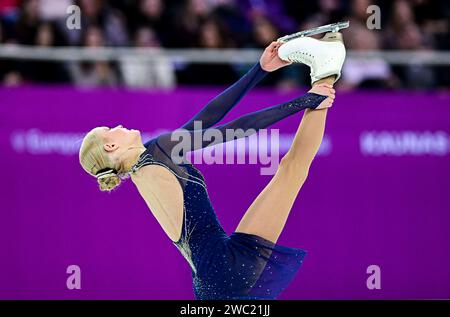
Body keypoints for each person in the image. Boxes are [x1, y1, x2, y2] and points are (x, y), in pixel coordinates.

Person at [79, 32, 345, 299]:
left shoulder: (149, 160)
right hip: (223, 267)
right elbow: (233, 130)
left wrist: (260, 69)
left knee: (291, 169)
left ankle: (324, 71)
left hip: (212, 279)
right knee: (291, 170)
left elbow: (208, 117)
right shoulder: (157, 153)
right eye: (110, 130)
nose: (118, 126)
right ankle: (325, 71)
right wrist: (303, 101)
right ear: (110, 147)